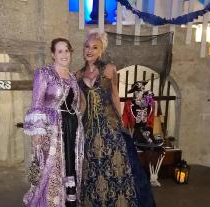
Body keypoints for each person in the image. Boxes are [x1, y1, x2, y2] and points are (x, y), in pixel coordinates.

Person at [77, 29, 156, 207]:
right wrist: (77, 125)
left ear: (101, 50)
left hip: (108, 125)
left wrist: (120, 123)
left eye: (94, 47)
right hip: (89, 128)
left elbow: (115, 96)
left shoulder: (110, 68)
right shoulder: (79, 74)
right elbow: (82, 104)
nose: (89, 50)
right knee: (92, 170)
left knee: (117, 167)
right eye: (87, 46)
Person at [23, 38, 84, 207]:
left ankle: (68, 200)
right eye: (60, 51)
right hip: (52, 130)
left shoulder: (72, 77)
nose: (64, 54)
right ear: (53, 54)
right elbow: (36, 104)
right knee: (51, 168)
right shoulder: (44, 73)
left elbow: (74, 103)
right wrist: (37, 131)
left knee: (70, 164)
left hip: (72, 129)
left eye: (67, 50)